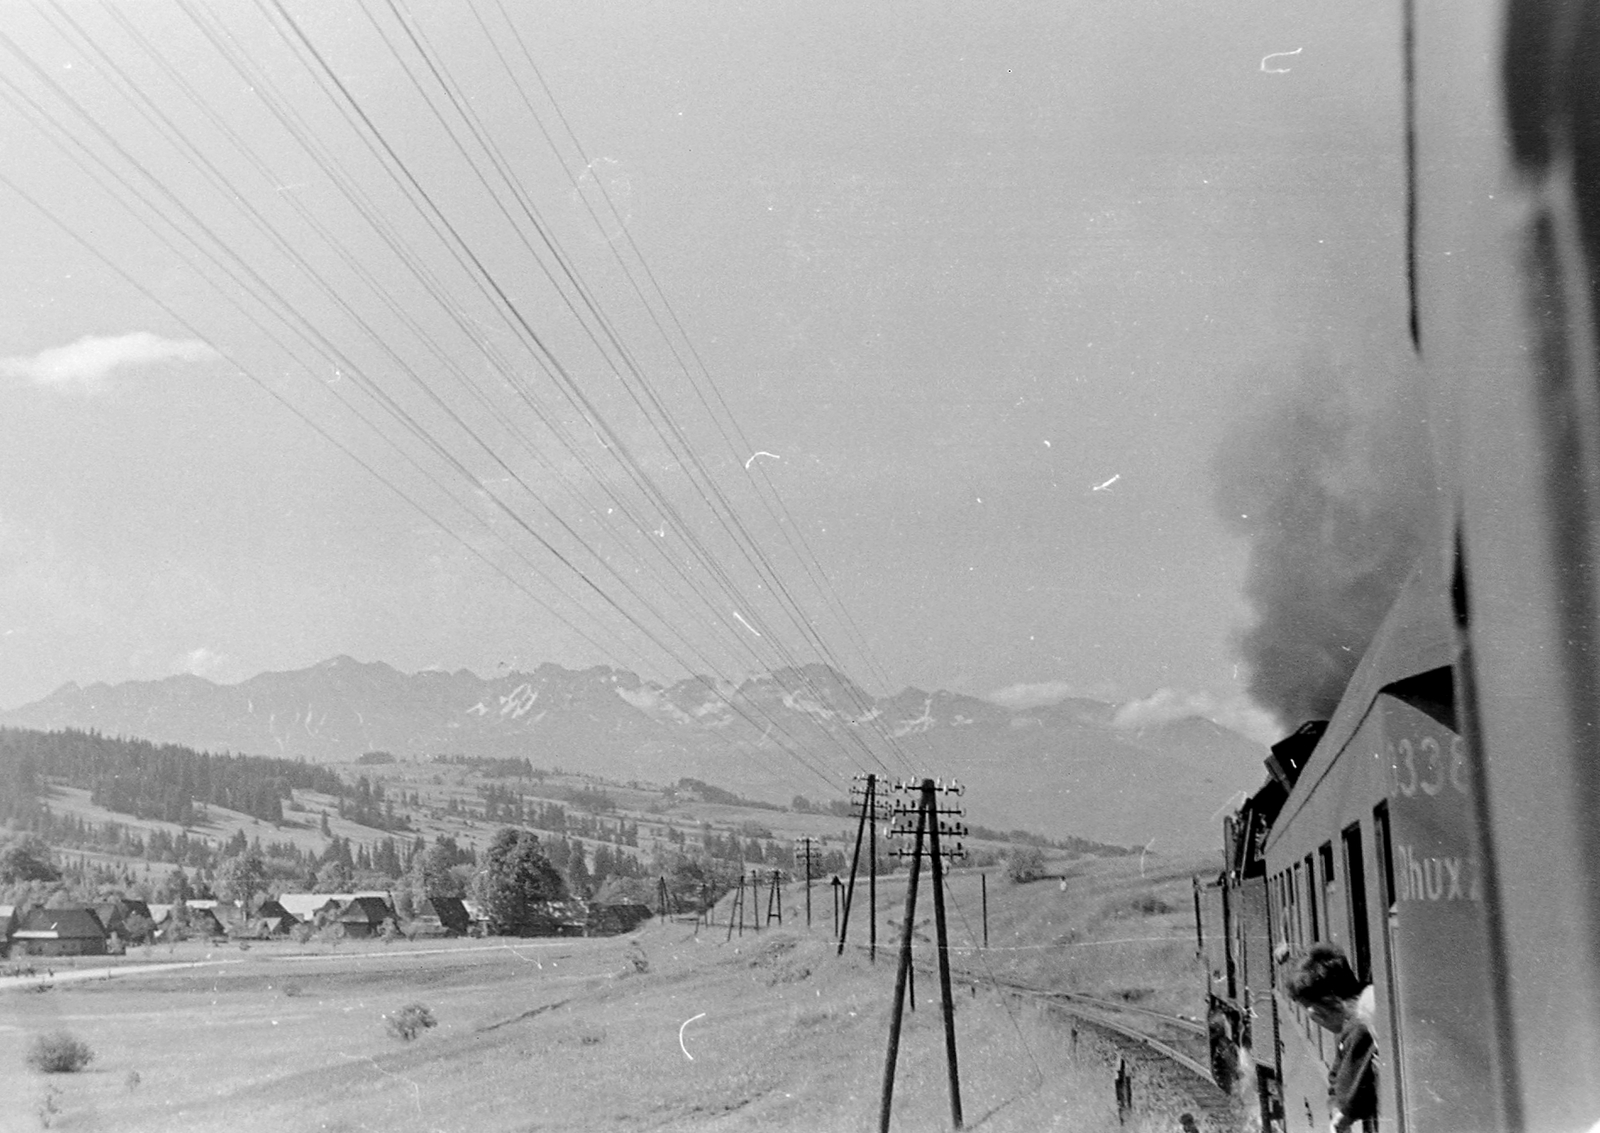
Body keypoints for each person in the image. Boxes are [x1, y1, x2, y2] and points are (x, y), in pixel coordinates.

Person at [1284, 943, 1377, 1133]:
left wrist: (1340, 1115)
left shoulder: (1358, 1028)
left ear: (1321, 1009)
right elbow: (1337, 1074)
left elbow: (1347, 1098)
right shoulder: (1355, 1021)